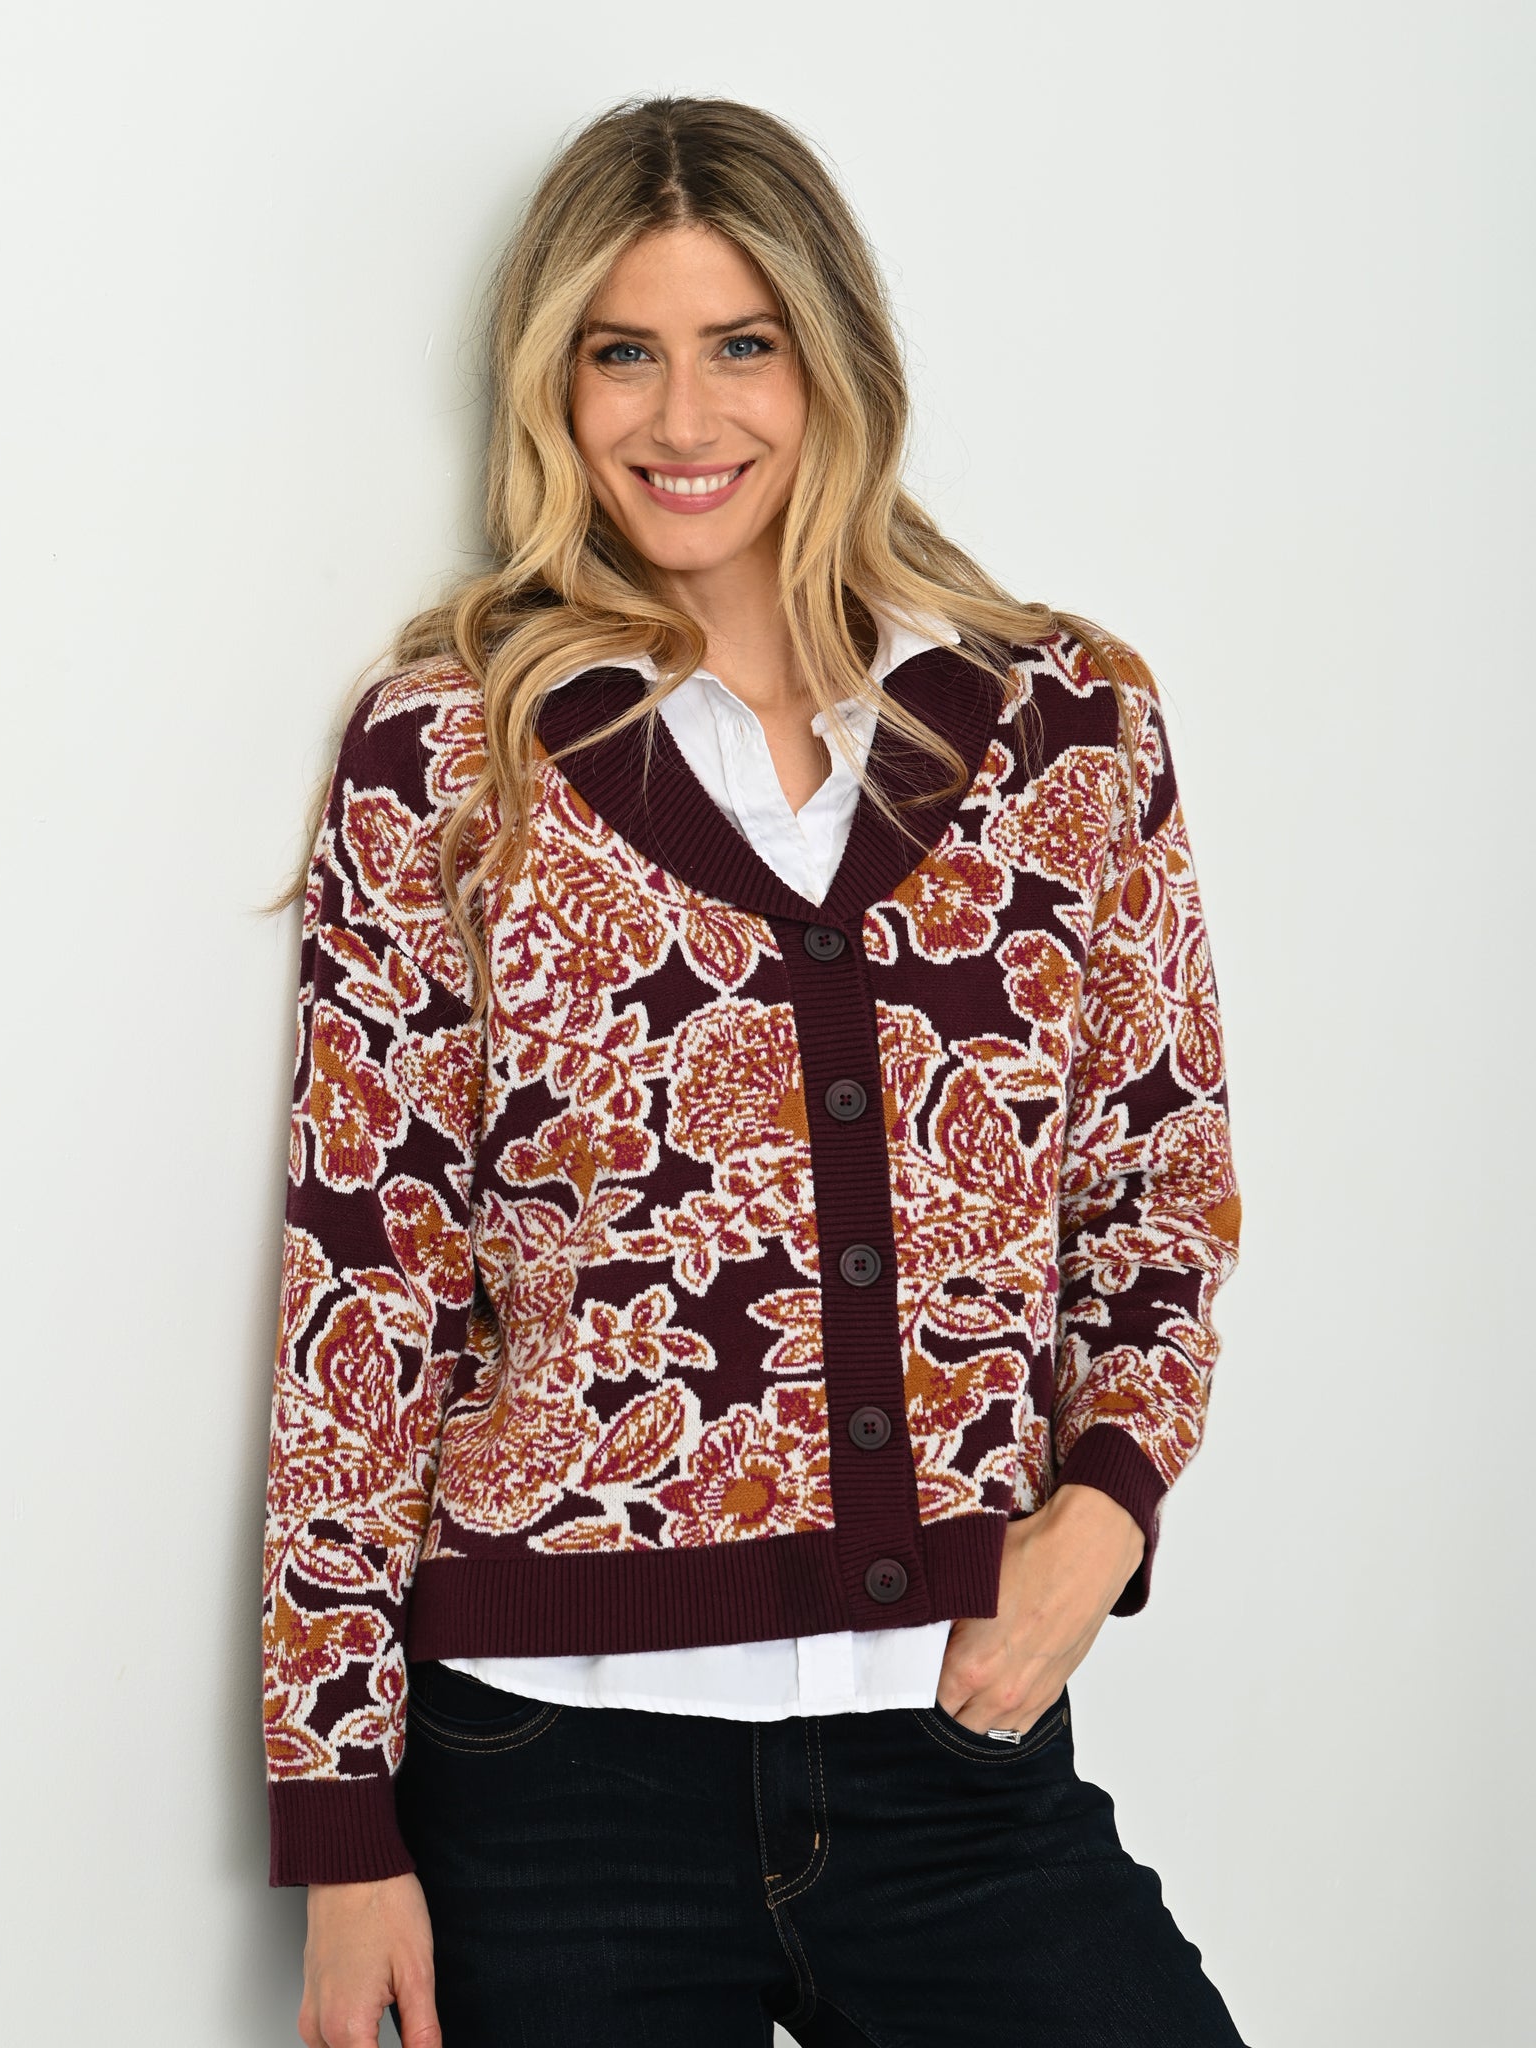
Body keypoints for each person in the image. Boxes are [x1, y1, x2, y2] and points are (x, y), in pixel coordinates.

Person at [262, 95, 1246, 2048]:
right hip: (555, 1790)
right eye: (620, 351)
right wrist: (341, 1826)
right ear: (551, 385)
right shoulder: (450, 752)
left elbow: (1157, 1184)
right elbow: (362, 1291)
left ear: (835, 364)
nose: (682, 415)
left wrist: (1106, 1510)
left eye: (742, 344)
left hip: (953, 1758)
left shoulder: (1066, 728)